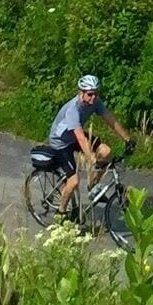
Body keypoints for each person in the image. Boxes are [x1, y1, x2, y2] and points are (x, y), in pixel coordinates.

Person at [50, 73, 129, 216]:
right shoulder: (73, 109)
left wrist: (127, 138)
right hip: (61, 142)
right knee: (73, 182)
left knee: (105, 152)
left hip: (73, 136)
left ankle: (93, 187)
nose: (93, 98)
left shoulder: (95, 101)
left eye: (96, 94)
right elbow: (80, 137)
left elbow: (110, 119)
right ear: (82, 93)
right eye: (90, 94)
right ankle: (60, 212)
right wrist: (91, 157)